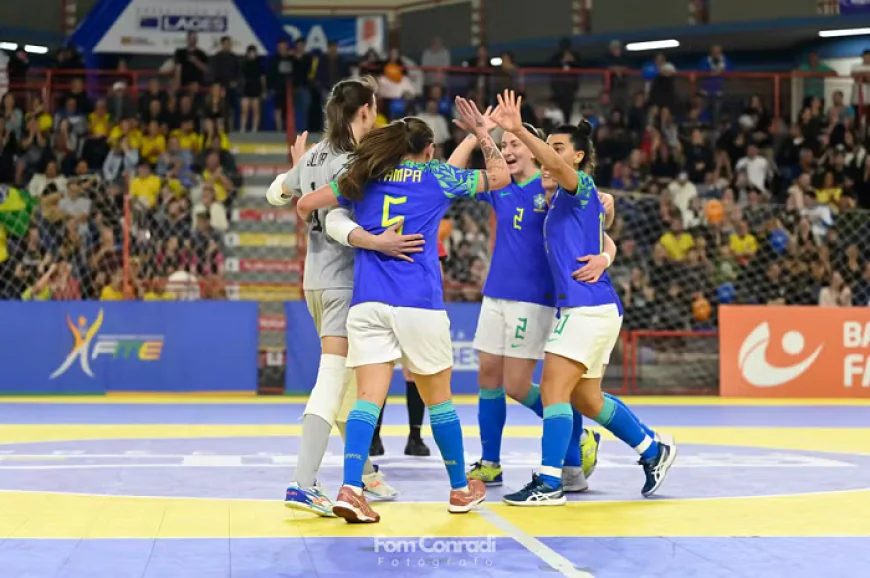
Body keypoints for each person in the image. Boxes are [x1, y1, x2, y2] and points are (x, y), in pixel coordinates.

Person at [295, 100, 508, 522]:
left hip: (368, 302)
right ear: (429, 150)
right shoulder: (437, 176)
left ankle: (352, 488)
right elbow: (500, 177)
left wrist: (302, 172)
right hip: (418, 302)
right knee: (439, 401)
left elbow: (306, 205)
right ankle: (460, 490)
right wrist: (484, 133)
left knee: (366, 401)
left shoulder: (364, 175)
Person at [491, 90, 677, 505]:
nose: (548, 157)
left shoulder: (581, 188)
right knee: (586, 398)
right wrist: (607, 253)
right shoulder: (559, 203)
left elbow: (556, 167)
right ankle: (652, 449)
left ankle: (550, 481)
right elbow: (603, 236)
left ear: (575, 159)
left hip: (587, 308)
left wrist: (519, 128)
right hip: (590, 307)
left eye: (558, 150)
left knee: (555, 391)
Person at [266, 77, 421, 516]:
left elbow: (275, 193)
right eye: (376, 108)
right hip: (343, 281)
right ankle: (303, 482)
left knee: (349, 383)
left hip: (314, 281)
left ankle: (366, 473)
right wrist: (378, 243)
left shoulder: (314, 153)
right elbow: (335, 220)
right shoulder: (356, 160)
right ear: (366, 112)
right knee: (333, 379)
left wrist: (297, 180)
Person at [446, 108, 607, 492]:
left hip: (533, 299)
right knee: (487, 377)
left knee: (518, 385)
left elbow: (593, 224)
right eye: (504, 145)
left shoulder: (553, 187)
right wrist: (476, 136)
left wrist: (606, 254)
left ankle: (574, 434)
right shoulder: (501, 186)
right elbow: (451, 181)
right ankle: (490, 462)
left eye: (515, 143)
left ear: (536, 152)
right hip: (495, 296)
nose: (508, 149)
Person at [240, 45, 266, 132]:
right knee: (244, 110)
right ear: (247, 54)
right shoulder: (244, 64)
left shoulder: (259, 64)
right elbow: (242, 78)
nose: (252, 55)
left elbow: (263, 78)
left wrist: (263, 90)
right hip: (246, 89)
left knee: (256, 110)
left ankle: (254, 129)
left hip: (256, 89)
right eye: (250, 53)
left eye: (253, 53)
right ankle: (243, 128)